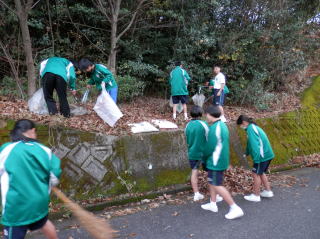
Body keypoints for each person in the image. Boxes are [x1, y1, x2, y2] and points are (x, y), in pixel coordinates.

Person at [0, 119, 61, 239]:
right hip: (39, 202)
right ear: (32, 131)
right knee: (43, 222)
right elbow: (54, 176)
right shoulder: (45, 150)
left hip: (17, 206)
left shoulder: (6, 150)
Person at [201, 106, 244, 219]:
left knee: (216, 184)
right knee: (212, 181)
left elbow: (209, 147)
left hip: (216, 161)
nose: (206, 116)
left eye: (206, 114)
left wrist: (203, 158)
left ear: (210, 115)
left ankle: (234, 207)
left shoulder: (215, 128)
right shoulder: (222, 125)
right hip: (220, 160)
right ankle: (213, 203)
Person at [185, 106, 223, 202]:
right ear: (201, 114)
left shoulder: (187, 125)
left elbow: (187, 139)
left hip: (192, 153)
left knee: (194, 172)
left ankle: (196, 194)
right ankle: (214, 196)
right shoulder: (204, 124)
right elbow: (209, 138)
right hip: (204, 154)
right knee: (211, 174)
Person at [237, 115, 275, 202]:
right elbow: (249, 143)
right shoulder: (252, 127)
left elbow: (255, 146)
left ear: (243, 123)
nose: (241, 127)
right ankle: (268, 191)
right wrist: (246, 153)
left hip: (262, 156)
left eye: (240, 125)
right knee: (261, 173)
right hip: (267, 155)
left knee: (255, 174)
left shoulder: (250, 129)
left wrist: (256, 160)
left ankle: (256, 195)